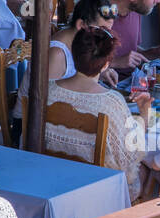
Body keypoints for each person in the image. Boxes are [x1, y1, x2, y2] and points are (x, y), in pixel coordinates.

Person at [44, 27, 152, 202]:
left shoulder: (47, 90)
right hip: (96, 189)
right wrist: (145, 114)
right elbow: (130, 154)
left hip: (51, 177)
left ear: (73, 54)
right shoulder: (111, 102)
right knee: (147, 170)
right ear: (106, 64)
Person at [16, 0, 123, 122]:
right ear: (81, 25)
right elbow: (45, 106)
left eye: (108, 31)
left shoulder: (81, 46)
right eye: (100, 30)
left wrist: (98, 72)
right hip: (30, 127)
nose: (104, 37)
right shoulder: (57, 54)